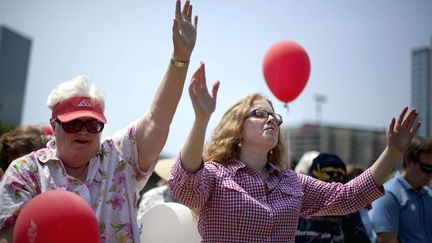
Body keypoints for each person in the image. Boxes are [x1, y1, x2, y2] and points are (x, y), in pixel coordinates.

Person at [0, 0, 198, 242]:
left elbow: (157, 119)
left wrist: (180, 58)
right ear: (54, 126)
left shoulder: (121, 158)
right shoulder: (25, 172)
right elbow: (9, 237)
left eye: (93, 124)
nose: (84, 131)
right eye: (73, 123)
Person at [167, 63, 420, 242]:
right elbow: (185, 183)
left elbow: (347, 196)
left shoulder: (292, 182)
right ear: (237, 129)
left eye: (274, 116)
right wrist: (201, 119)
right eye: (259, 114)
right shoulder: (215, 175)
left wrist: (392, 151)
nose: (272, 120)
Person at [295, 153, 373, 243]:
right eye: (329, 174)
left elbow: (359, 238)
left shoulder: (348, 210)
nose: (334, 182)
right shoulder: (296, 203)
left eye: (339, 177)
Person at [368, 136, 432, 243]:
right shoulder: (387, 194)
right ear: (409, 161)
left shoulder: (429, 195)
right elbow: (386, 240)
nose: (430, 174)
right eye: (427, 168)